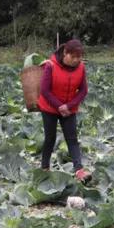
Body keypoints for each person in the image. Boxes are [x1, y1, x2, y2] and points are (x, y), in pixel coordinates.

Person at [38, 39, 90, 181]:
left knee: (72, 139)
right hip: (49, 107)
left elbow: (83, 90)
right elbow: (44, 90)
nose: (76, 60)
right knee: (50, 138)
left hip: (69, 109)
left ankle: (79, 171)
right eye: (73, 57)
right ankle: (44, 168)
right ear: (65, 54)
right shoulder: (51, 66)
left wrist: (68, 106)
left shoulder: (81, 68)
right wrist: (59, 106)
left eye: (78, 57)